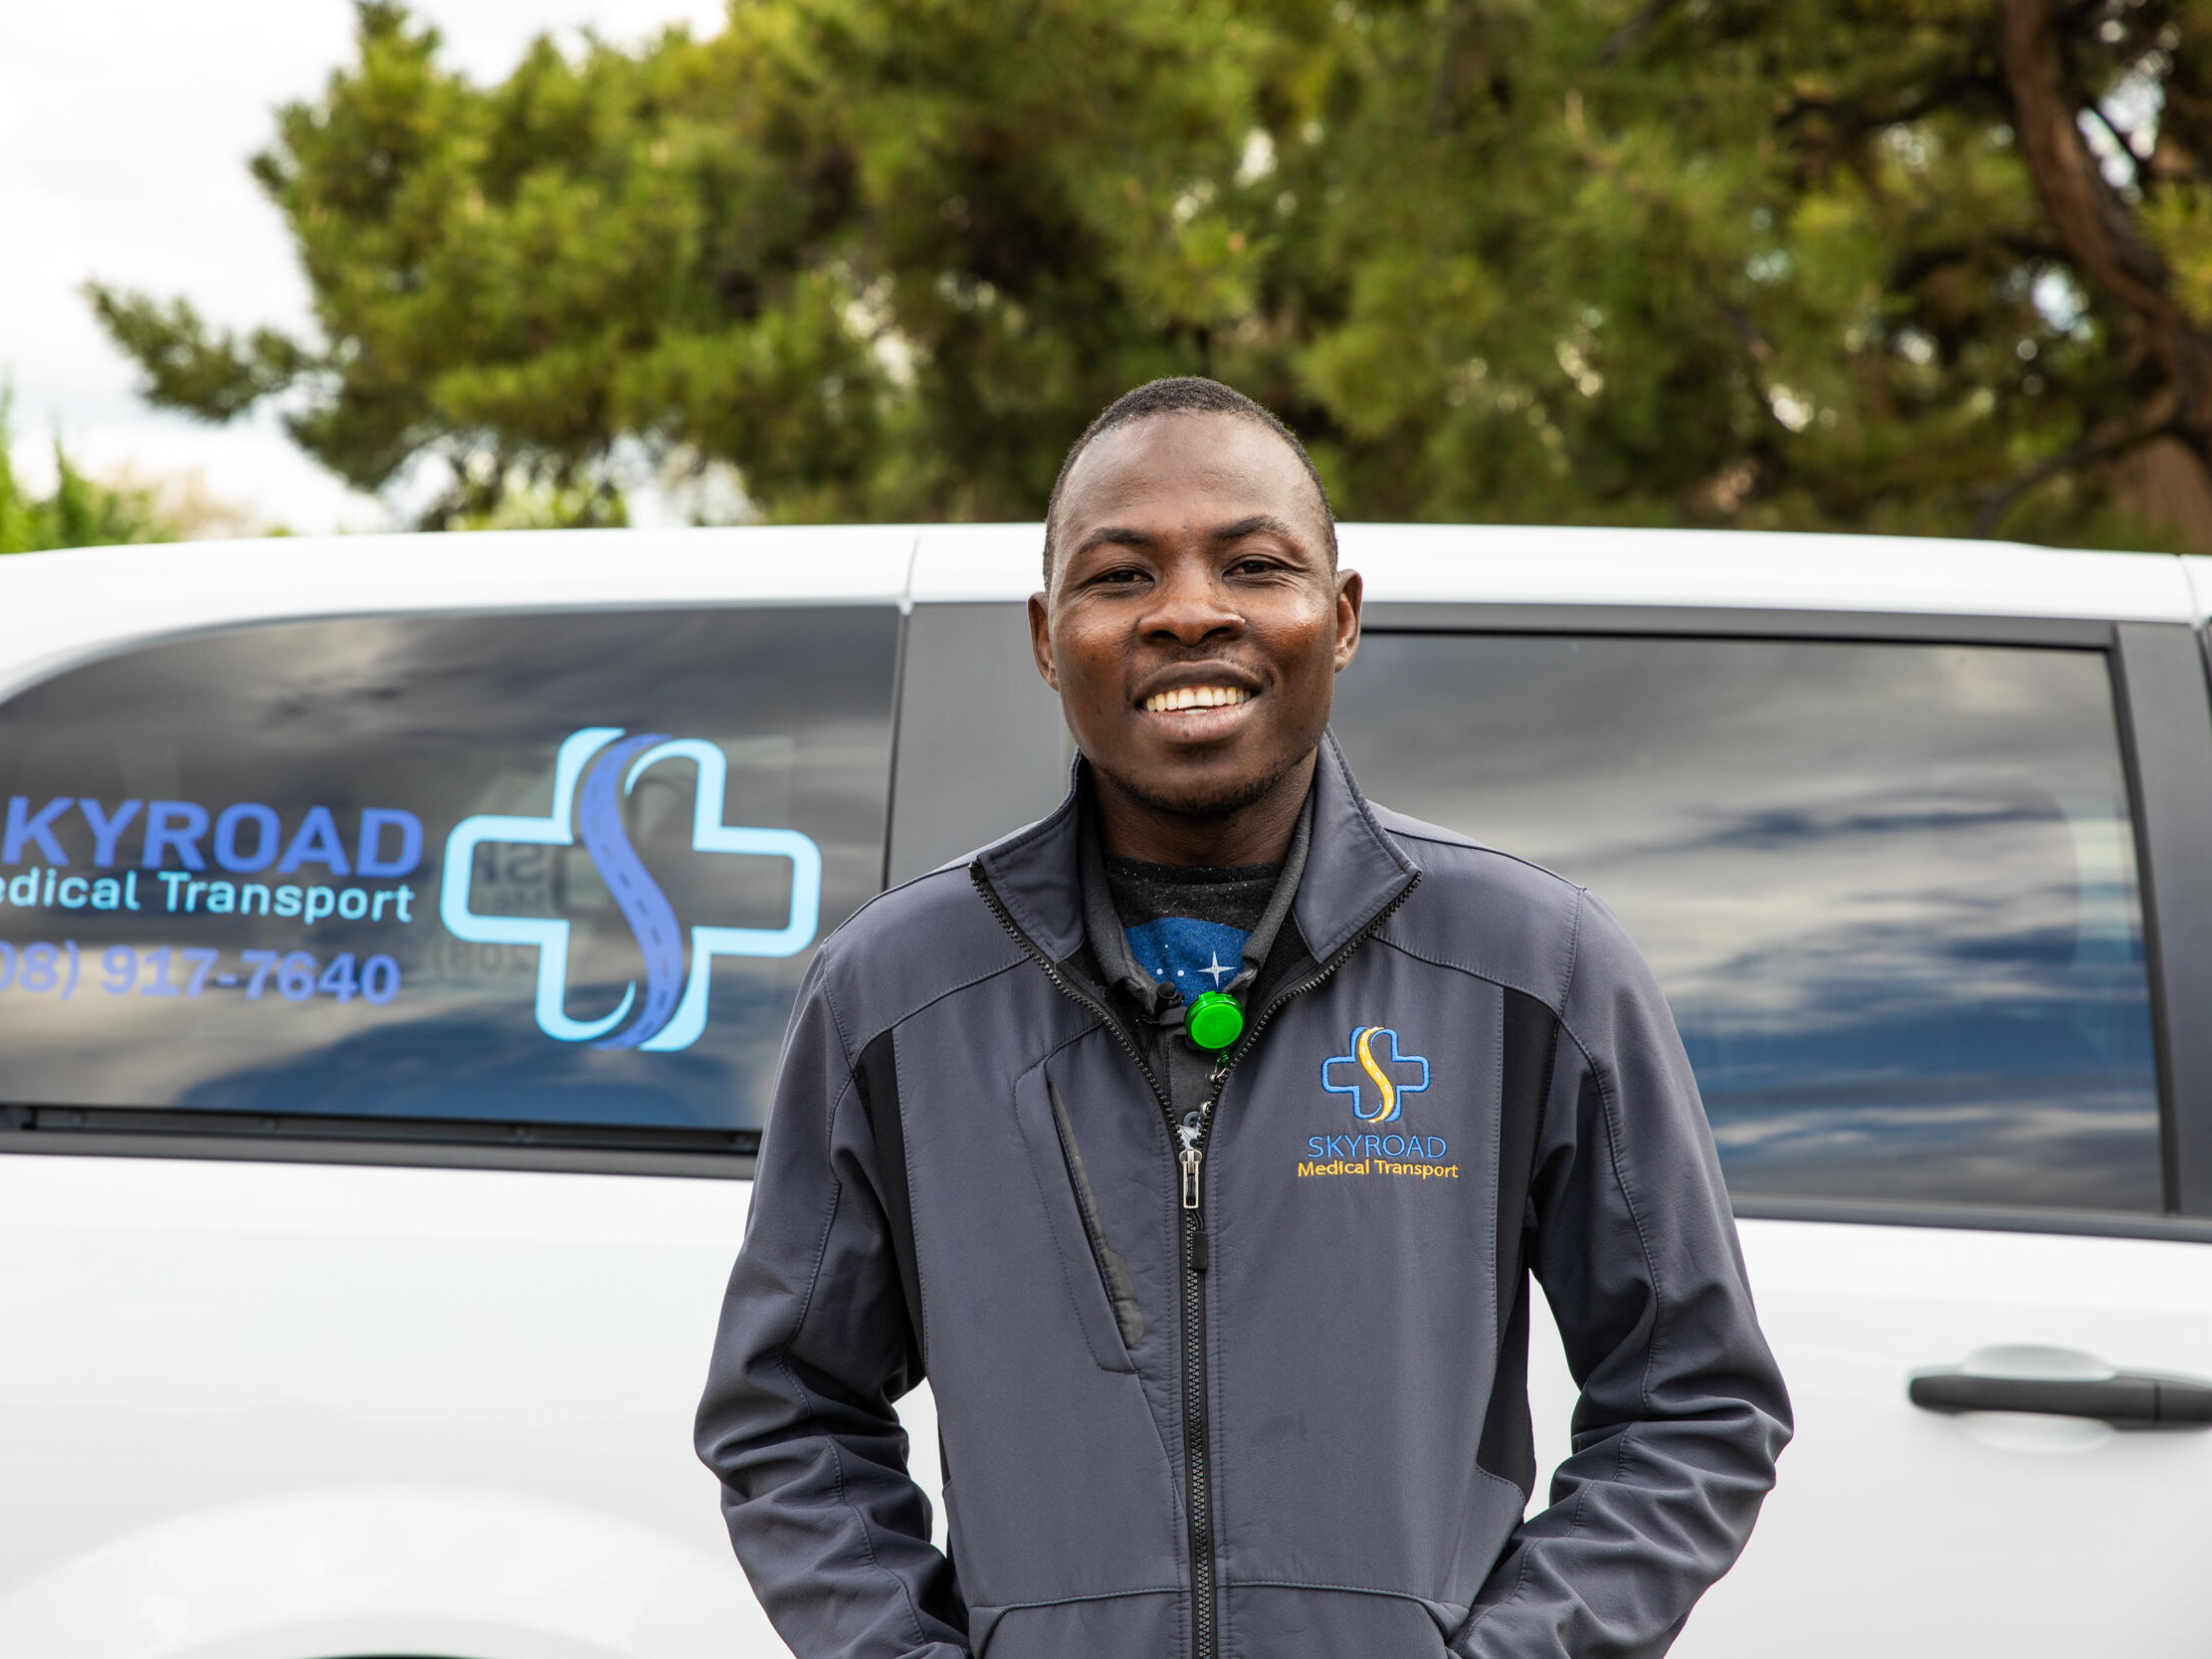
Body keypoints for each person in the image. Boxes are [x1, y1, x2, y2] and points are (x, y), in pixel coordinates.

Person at [695, 377, 1792, 1659]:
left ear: (1341, 618)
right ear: (1048, 638)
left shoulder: (1536, 969)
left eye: (1253, 564)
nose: (1190, 613)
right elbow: (788, 1412)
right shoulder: (896, 993)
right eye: (1120, 577)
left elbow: (1693, 1400)